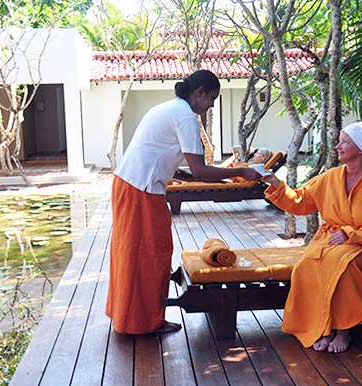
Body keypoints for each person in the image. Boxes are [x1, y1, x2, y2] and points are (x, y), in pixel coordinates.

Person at [106, 69, 260, 335]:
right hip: (140, 189)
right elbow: (200, 171)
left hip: (127, 184)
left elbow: (163, 154)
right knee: (152, 253)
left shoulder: (168, 108)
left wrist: (184, 175)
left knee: (132, 250)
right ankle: (144, 321)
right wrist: (242, 171)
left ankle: (126, 314)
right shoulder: (186, 117)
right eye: (212, 98)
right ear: (198, 92)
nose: (211, 105)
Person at [261, 122, 362, 353]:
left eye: (345, 142)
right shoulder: (331, 177)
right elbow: (301, 201)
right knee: (306, 266)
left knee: (342, 266)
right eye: (340, 141)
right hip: (333, 240)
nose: (338, 146)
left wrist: (351, 234)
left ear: (361, 149)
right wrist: (276, 184)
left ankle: (343, 331)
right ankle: (322, 328)